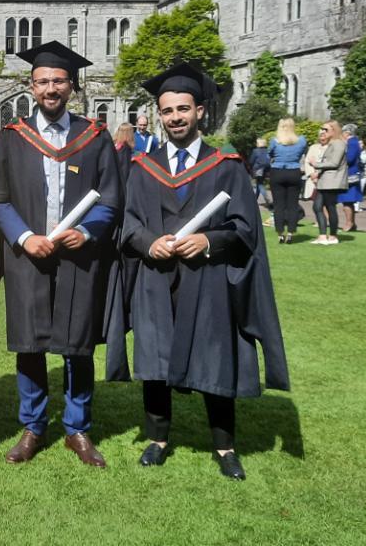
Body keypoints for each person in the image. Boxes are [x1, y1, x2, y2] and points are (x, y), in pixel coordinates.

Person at [108, 63, 289, 480]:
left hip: (207, 278)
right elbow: (128, 221)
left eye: (183, 109)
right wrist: (147, 242)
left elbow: (245, 227)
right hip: (156, 277)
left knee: (214, 357)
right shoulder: (142, 166)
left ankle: (225, 446)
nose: (175, 118)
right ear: (159, 114)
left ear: (200, 111)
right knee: (155, 357)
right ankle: (157, 439)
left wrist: (209, 241)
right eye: (168, 110)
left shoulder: (226, 165)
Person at [0, 40, 121, 467]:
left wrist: (87, 230)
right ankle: (33, 426)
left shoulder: (94, 138)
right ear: (31, 86)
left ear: (71, 86)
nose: (50, 88)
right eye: (42, 81)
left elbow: (111, 198)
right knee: (30, 343)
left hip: (78, 256)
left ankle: (77, 429)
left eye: (58, 81)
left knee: (78, 344)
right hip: (28, 255)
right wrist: (24, 237)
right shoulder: (12, 138)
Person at [268, 118, 307, 244]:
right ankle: (290, 233)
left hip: (277, 171)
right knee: (293, 205)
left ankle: (280, 233)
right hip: (294, 171)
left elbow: (269, 154)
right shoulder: (301, 140)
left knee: (278, 205)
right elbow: (302, 153)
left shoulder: (275, 141)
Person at [308, 120, 347, 245]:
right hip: (325, 181)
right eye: (322, 129)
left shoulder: (338, 144)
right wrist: (317, 173)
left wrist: (316, 164)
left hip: (332, 181)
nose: (322, 132)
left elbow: (334, 163)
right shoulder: (332, 144)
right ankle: (323, 236)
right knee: (317, 207)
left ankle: (333, 236)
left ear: (334, 130)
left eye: (326, 129)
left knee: (330, 207)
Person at [337, 124, 363, 230]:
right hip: (351, 174)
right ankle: (352, 223)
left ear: (347, 133)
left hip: (349, 175)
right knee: (348, 201)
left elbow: (349, 159)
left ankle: (349, 223)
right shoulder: (354, 142)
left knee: (347, 200)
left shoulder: (352, 142)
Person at [249, 138, 272, 208]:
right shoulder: (267, 150)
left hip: (258, 169)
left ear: (258, 143)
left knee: (260, 184)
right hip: (266, 169)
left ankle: (267, 200)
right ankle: (254, 200)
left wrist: (250, 168)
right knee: (259, 183)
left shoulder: (255, 151)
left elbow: (251, 161)